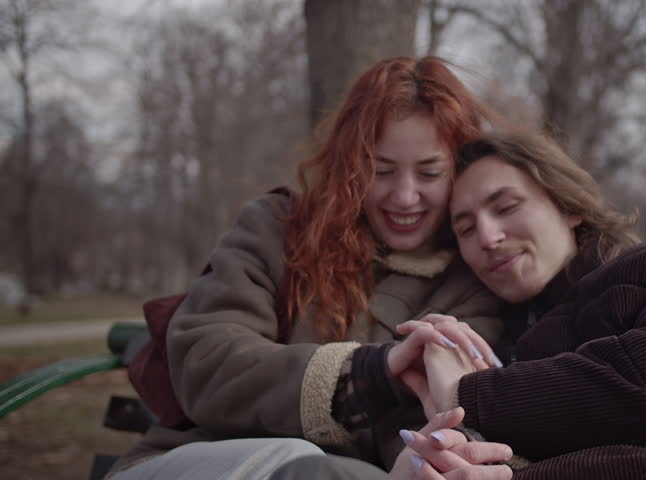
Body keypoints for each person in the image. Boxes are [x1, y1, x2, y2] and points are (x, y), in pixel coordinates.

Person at [106, 56, 509, 480]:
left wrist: (434, 454)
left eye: (429, 173)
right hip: (200, 459)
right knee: (307, 466)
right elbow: (206, 364)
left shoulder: (469, 283)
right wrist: (368, 373)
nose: (405, 197)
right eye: (381, 170)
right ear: (351, 163)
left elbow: (433, 420)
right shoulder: (275, 230)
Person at [401, 130, 646, 479]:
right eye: (466, 229)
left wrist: (468, 397)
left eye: (506, 207)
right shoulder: (492, 344)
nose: (488, 237)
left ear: (570, 205)